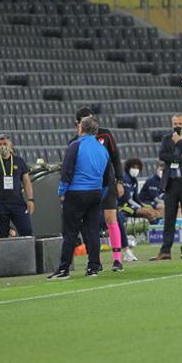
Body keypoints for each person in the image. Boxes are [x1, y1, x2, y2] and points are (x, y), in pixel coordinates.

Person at [48, 117, 109, 280]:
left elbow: (66, 171)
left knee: (70, 232)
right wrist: (100, 194)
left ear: (81, 129)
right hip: (95, 193)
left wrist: (62, 192)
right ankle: (94, 267)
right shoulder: (102, 149)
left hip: (76, 193)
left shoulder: (75, 145)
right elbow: (108, 177)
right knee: (93, 230)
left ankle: (64, 269)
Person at [71, 108, 127, 272]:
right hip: (86, 187)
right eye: (85, 121)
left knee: (111, 219)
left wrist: (120, 181)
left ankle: (117, 260)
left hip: (107, 184)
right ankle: (95, 261)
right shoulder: (75, 142)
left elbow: (115, 158)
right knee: (90, 223)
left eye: (90, 119)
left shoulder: (106, 134)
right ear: (78, 123)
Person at [149, 114, 182, 261]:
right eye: (175, 123)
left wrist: (179, 143)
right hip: (171, 182)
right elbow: (162, 155)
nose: (178, 126)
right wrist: (179, 157)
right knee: (169, 218)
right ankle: (165, 250)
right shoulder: (166, 138)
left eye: (181, 123)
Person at [0, 134, 35, 239]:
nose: (2, 146)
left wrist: (31, 199)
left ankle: (28, 255)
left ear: (11, 145)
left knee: (27, 231)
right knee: (2, 235)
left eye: (5, 144)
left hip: (18, 203)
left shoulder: (19, 161)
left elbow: (27, 181)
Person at [116, 158, 162, 262]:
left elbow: (136, 198)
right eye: (133, 167)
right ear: (128, 167)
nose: (135, 170)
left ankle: (156, 235)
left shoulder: (134, 180)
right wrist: (140, 207)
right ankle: (157, 235)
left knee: (151, 210)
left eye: (137, 168)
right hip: (123, 206)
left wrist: (143, 205)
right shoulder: (125, 179)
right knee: (148, 212)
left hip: (131, 206)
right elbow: (128, 199)